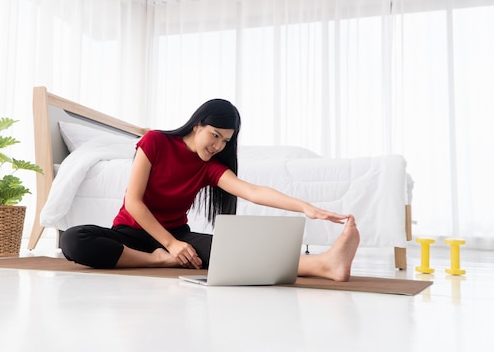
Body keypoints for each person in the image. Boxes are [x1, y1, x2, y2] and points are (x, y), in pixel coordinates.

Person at [60, 99, 360, 282]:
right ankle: (155, 260)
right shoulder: (155, 142)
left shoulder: (209, 166)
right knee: (74, 239)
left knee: (234, 252)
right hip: (131, 234)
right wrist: (168, 250)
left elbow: (252, 191)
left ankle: (325, 264)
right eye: (215, 135)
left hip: (179, 235)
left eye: (225, 141)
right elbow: (134, 202)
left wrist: (305, 207)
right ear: (197, 124)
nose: (217, 146)